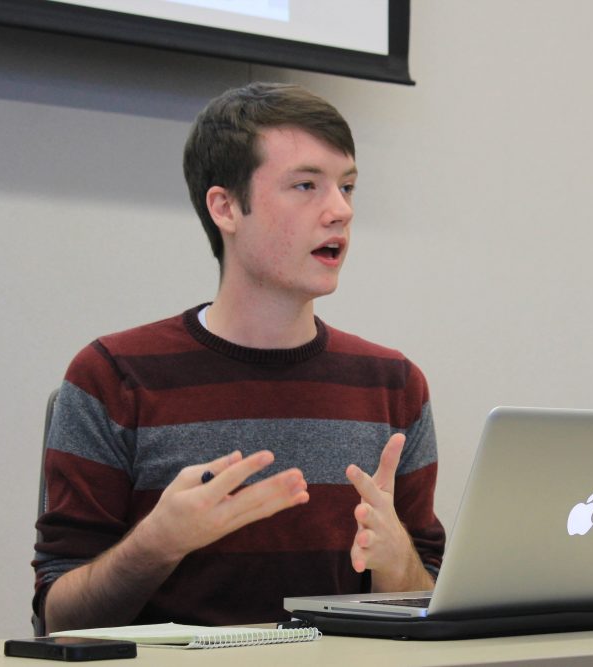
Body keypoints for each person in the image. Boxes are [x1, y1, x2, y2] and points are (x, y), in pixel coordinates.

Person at [32, 82, 445, 632]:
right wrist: (156, 544)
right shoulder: (113, 376)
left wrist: (401, 568)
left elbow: (431, 602)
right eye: (306, 185)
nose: (340, 210)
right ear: (225, 207)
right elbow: (58, 618)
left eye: (347, 187)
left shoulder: (394, 385)